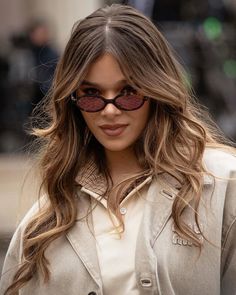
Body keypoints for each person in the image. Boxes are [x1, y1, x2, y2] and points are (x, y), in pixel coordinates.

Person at [0, 4, 236, 295]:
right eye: (91, 94)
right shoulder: (44, 223)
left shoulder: (223, 184)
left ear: (156, 90)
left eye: (128, 92)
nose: (110, 110)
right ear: (72, 100)